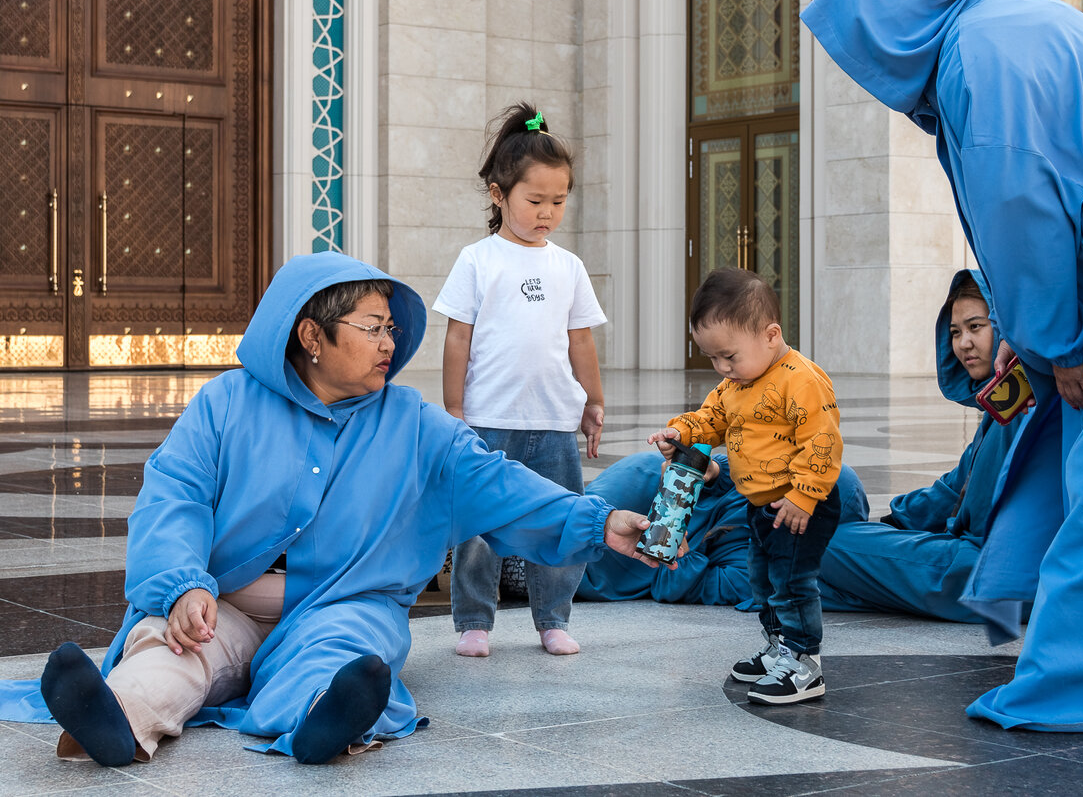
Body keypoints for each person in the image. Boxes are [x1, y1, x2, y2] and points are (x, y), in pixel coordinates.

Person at [0, 251, 660, 767]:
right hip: (221, 601)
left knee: (341, 655)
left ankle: (326, 724)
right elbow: (175, 496)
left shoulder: (413, 422)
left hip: (345, 602)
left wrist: (598, 520)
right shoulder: (226, 403)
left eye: (391, 329)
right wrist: (182, 587)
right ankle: (113, 721)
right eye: (372, 328)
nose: (389, 344)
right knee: (172, 650)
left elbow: (498, 483)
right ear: (312, 335)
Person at [802, 0, 1083, 731]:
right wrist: (1036, 332)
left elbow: (1023, 212)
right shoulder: (992, 36)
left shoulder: (980, 62)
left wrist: (1056, 341)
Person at [434, 102, 606, 659]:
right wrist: (454, 409)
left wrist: (593, 400)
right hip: (488, 420)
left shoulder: (568, 266)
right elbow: (457, 338)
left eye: (558, 201)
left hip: (553, 420)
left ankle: (553, 618)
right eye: (535, 201)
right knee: (478, 527)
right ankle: (474, 622)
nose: (547, 213)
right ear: (498, 194)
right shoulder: (478, 260)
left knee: (563, 521)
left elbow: (581, 340)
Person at [647, 267, 844, 706]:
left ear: (771, 335)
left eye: (729, 356)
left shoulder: (801, 380)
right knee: (764, 579)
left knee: (792, 582)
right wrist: (681, 432)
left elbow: (823, 442)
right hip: (760, 505)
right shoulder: (735, 384)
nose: (722, 368)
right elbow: (711, 419)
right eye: (713, 358)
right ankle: (778, 648)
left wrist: (803, 496)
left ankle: (804, 664)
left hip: (800, 505)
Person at [819, 270, 1061, 623]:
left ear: (1006, 328)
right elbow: (952, 489)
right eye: (955, 332)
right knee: (838, 494)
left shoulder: (1029, 402)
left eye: (976, 327)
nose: (963, 343)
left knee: (825, 545)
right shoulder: (1003, 403)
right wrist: (893, 524)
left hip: (993, 572)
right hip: (970, 559)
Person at [580, 451, 870, 608]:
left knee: (574, 547)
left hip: (618, 562)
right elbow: (734, 466)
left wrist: (676, 535)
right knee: (577, 518)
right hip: (640, 488)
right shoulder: (758, 486)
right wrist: (713, 473)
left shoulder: (761, 562)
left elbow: (674, 585)